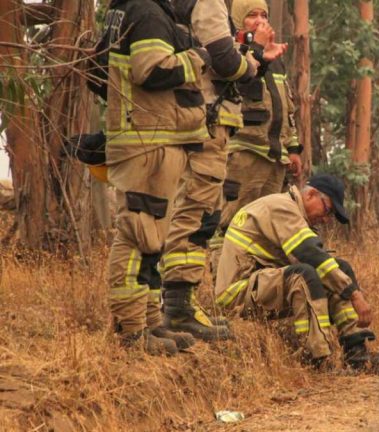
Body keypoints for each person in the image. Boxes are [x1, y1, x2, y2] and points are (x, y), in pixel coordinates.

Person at [160, 0, 283, 342]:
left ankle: (179, 305)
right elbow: (226, 63)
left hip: (205, 122)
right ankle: (176, 308)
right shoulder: (207, 3)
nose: (259, 20)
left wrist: (253, 55)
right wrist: (253, 52)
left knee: (201, 214)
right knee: (197, 214)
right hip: (205, 123)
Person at [101, 0, 217, 354]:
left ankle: (150, 323)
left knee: (152, 239)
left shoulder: (138, 10)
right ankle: (131, 330)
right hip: (147, 141)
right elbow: (149, 70)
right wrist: (198, 57)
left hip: (153, 137)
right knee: (138, 234)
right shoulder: (147, 12)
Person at [214, 174, 379, 371]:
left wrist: (346, 285)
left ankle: (357, 355)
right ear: (311, 194)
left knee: (339, 269)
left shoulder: (294, 211)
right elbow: (308, 252)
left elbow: (322, 262)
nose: (326, 220)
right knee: (304, 275)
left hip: (262, 284)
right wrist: (355, 295)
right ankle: (317, 358)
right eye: (328, 210)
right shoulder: (282, 207)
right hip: (236, 293)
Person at [209, 0, 303, 278]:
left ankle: (256, 289)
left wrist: (293, 147)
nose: (260, 20)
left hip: (275, 158)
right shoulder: (230, 54)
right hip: (243, 156)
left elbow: (287, 106)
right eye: (251, 15)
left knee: (266, 227)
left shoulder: (276, 57)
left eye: (263, 14)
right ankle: (222, 287)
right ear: (238, 21)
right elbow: (237, 87)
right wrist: (257, 51)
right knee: (230, 222)